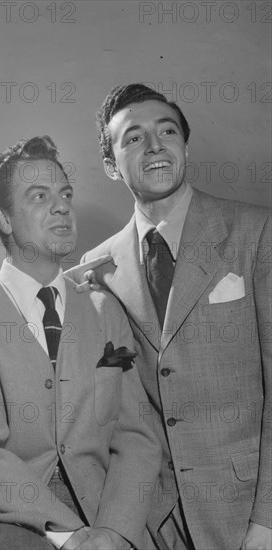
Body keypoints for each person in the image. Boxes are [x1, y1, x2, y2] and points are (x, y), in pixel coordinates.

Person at [0, 135, 161, 550]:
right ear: (3, 219)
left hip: (104, 516)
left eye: (65, 193)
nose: (62, 206)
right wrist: (70, 536)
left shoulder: (107, 312)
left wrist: (115, 531)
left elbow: (135, 438)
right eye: (39, 195)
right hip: (12, 522)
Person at [69, 84, 271, 550]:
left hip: (247, 513)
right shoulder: (97, 266)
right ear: (110, 166)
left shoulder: (257, 232)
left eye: (167, 131)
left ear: (184, 146)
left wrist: (268, 521)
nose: (155, 145)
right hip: (157, 520)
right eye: (134, 137)